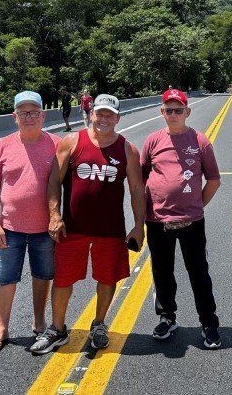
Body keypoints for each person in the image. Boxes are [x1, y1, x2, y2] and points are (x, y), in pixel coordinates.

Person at [31, 94, 145, 354]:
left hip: (110, 228)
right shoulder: (71, 142)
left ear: (117, 118)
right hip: (72, 227)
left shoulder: (128, 149)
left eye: (110, 115)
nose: (104, 119)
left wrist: (139, 226)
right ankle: (57, 329)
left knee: (107, 278)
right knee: (63, 279)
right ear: (91, 113)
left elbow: (138, 190)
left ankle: (99, 324)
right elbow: (53, 181)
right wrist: (54, 215)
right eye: (100, 113)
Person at [140, 88, 223, 349]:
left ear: (187, 112)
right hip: (157, 221)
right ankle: (167, 317)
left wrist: (197, 204)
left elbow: (214, 180)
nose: (173, 114)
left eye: (178, 110)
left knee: (199, 273)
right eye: (168, 110)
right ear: (161, 112)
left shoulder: (199, 141)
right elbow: (140, 178)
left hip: (192, 222)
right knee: (162, 272)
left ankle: (209, 323)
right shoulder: (152, 141)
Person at [0, 90, 61, 355]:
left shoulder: (57, 144)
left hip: (45, 229)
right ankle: (1, 328)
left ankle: (39, 321)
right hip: (10, 228)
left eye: (34, 112)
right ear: (14, 117)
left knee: (43, 276)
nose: (29, 117)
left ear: (43, 115)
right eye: (23, 113)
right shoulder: (3, 145)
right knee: (5, 279)